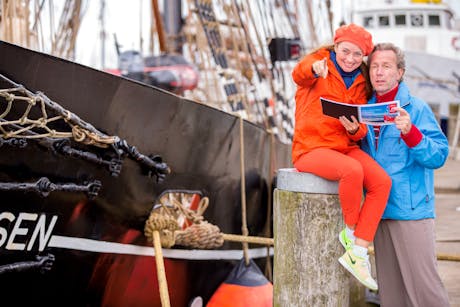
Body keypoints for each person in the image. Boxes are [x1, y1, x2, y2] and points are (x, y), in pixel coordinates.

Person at [291, 23, 392, 291]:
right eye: (345, 51)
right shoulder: (318, 62)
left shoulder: (362, 80)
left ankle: (358, 252)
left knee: (382, 182)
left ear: (363, 57)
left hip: (344, 146)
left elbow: (361, 125)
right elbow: (299, 73)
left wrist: (354, 128)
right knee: (352, 171)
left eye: (357, 55)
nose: (349, 59)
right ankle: (349, 233)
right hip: (311, 149)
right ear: (336, 46)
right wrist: (314, 70)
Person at [362, 42, 450, 306]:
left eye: (386, 66)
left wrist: (411, 132)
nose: (379, 72)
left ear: (399, 73)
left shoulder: (417, 108)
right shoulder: (364, 111)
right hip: (378, 213)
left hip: (411, 212)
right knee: (391, 295)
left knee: (425, 293)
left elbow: (438, 155)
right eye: (374, 67)